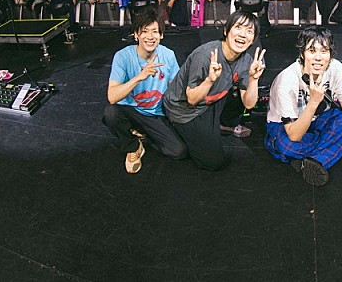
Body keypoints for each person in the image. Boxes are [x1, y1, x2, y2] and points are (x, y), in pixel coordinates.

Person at [162, 11, 266, 170]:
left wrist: (253, 80)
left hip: (211, 100)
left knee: (239, 91)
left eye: (249, 31)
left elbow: (249, 104)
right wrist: (209, 80)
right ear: (226, 31)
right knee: (213, 162)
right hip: (185, 109)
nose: (243, 34)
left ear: (253, 39)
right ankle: (170, 129)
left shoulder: (247, 61)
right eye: (238, 27)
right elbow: (192, 99)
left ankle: (221, 124)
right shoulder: (205, 56)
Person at [264, 26, 342, 186]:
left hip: (319, 117)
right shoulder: (286, 80)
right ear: (302, 53)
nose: (318, 58)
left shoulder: (336, 67)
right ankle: (336, 143)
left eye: (324, 51)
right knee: (287, 145)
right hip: (286, 126)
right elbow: (294, 135)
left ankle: (309, 160)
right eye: (312, 51)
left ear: (330, 54)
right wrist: (313, 102)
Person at [103, 9, 185, 174]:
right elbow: (112, 97)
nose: (150, 36)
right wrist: (140, 77)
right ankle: (133, 146)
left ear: (161, 35)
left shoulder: (168, 55)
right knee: (111, 113)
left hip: (156, 114)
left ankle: (143, 135)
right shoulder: (123, 56)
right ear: (136, 35)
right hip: (130, 111)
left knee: (178, 151)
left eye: (155, 31)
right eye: (145, 31)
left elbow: (177, 88)